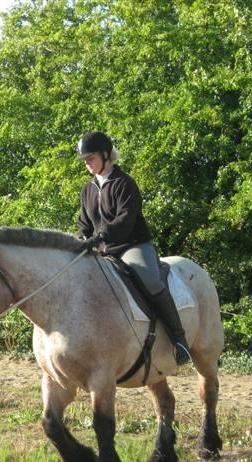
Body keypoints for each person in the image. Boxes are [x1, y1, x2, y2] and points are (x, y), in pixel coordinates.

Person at [75, 130, 191, 365]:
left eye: (91, 158)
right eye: (85, 160)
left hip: (131, 245)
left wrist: (99, 238)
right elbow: (84, 223)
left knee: (151, 281)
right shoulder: (87, 190)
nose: (87, 163)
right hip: (102, 249)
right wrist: (81, 241)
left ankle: (179, 340)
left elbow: (125, 221)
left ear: (106, 155)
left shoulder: (124, 183)